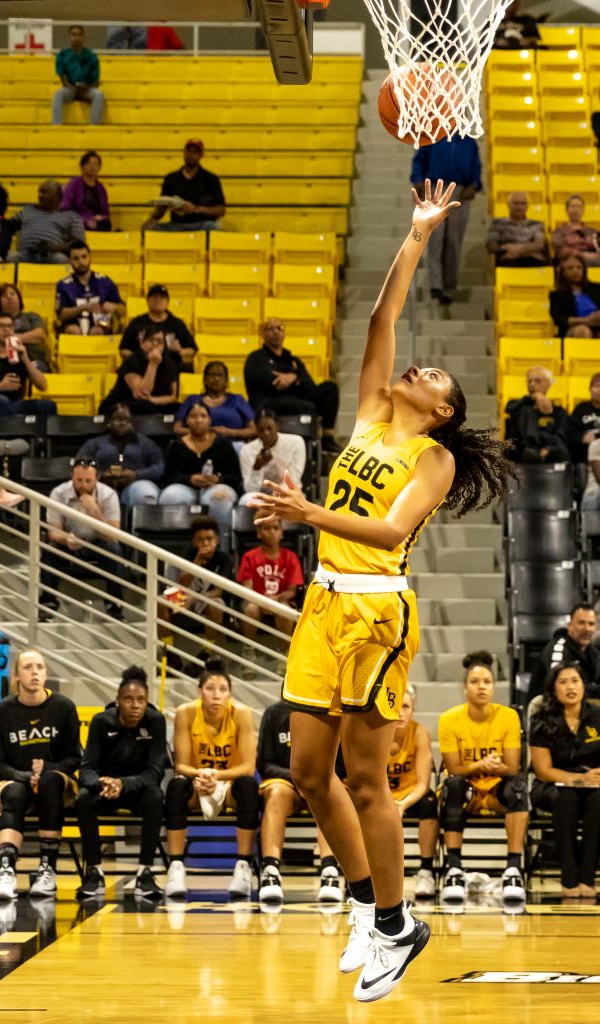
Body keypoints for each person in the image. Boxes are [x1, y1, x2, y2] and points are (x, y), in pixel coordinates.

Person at [248, 180, 510, 1003]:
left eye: (435, 376)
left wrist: (305, 512)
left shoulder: (433, 459)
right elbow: (378, 319)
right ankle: (366, 905)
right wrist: (416, 234)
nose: (418, 368)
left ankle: (397, 924)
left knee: (367, 781)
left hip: (374, 610)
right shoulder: (369, 414)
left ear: (441, 411)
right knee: (305, 770)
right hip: (323, 603)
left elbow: (391, 531)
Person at [0, 648, 81, 900]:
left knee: (50, 782)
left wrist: (48, 768)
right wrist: (22, 776)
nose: (35, 673)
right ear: (16, 675)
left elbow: (75, 758)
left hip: (56, 783)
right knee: (15, 792)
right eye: (28, 668)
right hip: (17, 780)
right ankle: (6, 871)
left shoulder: (63, 707)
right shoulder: (3, 710)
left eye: (39, 667)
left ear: (46, 673)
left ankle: (47, 869)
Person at [164, 657, 259, 899]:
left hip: (229, 785)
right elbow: (181, 765)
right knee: (176, 786)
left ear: (230, 694)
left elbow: (248, 767)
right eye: (210, 689)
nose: (216, 695)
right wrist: (200, 775)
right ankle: (176, 867)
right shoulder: (185, 713)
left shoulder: (241, 714)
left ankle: (243, 866)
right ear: (199, 692)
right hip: (198, 785)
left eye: (223, 690)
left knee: (249, 786)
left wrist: (216, 776)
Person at [437, 652, 528, 905]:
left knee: (518, 787)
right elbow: (453, 769)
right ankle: (454, 869)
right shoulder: (449, 719)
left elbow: (513, 768)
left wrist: (495, 767)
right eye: (475, 682)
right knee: (453, 786)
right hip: (468, 792)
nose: (481, 687)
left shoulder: (508, 716)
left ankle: (513, 870)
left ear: (494, 687)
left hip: (497, 790)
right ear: (464, 687)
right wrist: (481, 764)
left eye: (487, 682)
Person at [75, 666, 168, 900]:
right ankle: (94, 872)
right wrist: (101, 783)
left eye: (141, 700)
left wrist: (123, 784)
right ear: (117, 701)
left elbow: (155, 773)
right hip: (106, 790)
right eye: (128, 699)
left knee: (156, 796)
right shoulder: (100, 722)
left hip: (136, 789)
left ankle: (145, 873)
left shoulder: (156, 721)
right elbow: (86, 769)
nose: (135, 705)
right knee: (83, 798)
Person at [257, 699, 343, 904]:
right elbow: (265, 764)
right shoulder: (274, 713)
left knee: (329, 795)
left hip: (321, 783)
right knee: (276, 793)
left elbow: (341, 765)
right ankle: (271, 871)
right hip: (288, 785)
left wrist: (313, 780)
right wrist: (299, 778)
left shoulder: (331, 712)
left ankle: (329, 871)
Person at [530, 661, 600, 897]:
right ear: (553, 689)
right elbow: (543, 770)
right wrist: (579, 779)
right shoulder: (541, 719)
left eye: (575, 681)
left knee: (598, 801)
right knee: (566, 799)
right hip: (551, 785)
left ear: (583, 686)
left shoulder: (597, 716)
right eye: (563, 682)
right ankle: (569, 879)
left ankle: (588, 878)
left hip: (593, 785)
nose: (571, 687)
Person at [39, 459, 127, 620]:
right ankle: (48, 603)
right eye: (79, 480)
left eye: (88, 481)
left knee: (114, 550)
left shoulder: (109, 495)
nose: (83, 485)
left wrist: (94, 512)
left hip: (97, 541)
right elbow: (54, 532)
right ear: (72, 476)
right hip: (68, 540)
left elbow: (114, 535)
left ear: (97, 478)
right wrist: (67, 540)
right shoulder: (58, 493)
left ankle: (115, 606)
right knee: (49, 549)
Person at [244, 319, 340, 453]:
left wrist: (294, 377)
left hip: (296, 399)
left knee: (330, 388)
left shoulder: (293, 360)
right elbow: (274, 384)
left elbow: (309, 387)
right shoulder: (256, 358)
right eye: (270, 328)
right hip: (269, 402)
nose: (275, 332)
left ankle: (327, 438)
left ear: (284, 333)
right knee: (306, 406)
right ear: (262, 333)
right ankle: (310, 448)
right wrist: (296, 380)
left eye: (279, 328)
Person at [410, 137, 482, 304]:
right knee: (435, 237)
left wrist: (474, 185)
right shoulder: (432, 138)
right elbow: (419, 161)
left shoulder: (469, 142)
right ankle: (435, 284)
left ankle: (449, 286)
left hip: (460, 191)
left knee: (453, 240)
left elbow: (476, 166)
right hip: (435, 188)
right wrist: (418, 179)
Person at [386, 686, 439, 899]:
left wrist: (402, 804)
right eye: (395, 706)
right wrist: (387, 803)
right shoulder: (376, 733)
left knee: (430, 801)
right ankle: (366, 874)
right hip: (382, 794)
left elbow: (423, 783)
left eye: (406, 707)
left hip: (410, 794)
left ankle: (426, 871)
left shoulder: (419, 733)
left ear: (413, 709)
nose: (400, 713)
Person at [158, 402, 243, 529]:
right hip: (185, 487)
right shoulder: (176, 446)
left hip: (216, 486)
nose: (198, 420)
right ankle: (176, 539)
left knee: (220, 498)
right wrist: (189, 479)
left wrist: (218, 479)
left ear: (209, 420)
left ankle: (220, 538)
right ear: (187, 420)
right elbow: (168, 476)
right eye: (193, 416)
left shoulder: (223, 444)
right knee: (170, 496)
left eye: (203, 416)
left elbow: (236, 476)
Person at [0, 313, 57, 418]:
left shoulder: (22, 353)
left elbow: (42, 386)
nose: (6, 330)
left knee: (47, 406)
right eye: (1, 326)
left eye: (10, 326)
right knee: (0, 401)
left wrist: (25, 359)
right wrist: (0, 386)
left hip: (15, 403)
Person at [159, 515, 233, 648]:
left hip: (207, 599)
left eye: (209, 539)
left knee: (217, 606)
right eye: (200, 540)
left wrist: (195, 598)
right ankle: (169, 650)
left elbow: (218, 591)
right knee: (160, 602)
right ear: (194, 542)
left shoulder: (224, 558)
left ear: (217, 540)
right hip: (184, 596)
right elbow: (182, 583)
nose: (205, 543)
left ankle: (206, 652)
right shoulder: (189, 553)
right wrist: (198, 560)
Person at [237, 514, 304, 653]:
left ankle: (283, 653)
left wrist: (275, 599)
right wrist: (263, 601)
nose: (272, 532)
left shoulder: (291, 557)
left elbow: (292, 591)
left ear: (281, 533)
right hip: (255, 600)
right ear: (259, 533)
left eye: (276, 528)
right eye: (267, 528)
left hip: (281, 600)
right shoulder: (249, 557)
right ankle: (248, 649)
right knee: (251, 609)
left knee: (285, 611)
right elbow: (247, 589)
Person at [75, 404, 164, 508]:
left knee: (144, 492)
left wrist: (137, 475)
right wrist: (100, 476)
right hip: (103, 486)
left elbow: (159, 466)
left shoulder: (145, 443)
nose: (123, 423)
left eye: (127, 420)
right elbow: (80, 464)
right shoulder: (94, 444)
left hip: (136, 486)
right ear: (109, 421)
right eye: (118, 419)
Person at [145, 140, 225, 233]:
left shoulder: (211, 179)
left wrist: (195, 209)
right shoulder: (171, 178)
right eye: (188, 151)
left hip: (201, 224)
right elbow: (161, 210)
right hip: (176, 225)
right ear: (184, 152)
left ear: (201, 155)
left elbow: (221, 210)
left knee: (213, 226)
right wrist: (152, 218)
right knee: (150, 228)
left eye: (195, 152)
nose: (190, 155)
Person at [100, 325, 179, 416]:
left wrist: (152, 400)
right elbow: (141, 394)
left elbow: (173, 397)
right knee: (144, 405)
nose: (155, 344)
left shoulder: (169, 364)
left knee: (178, 407)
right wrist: (153, 364)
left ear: (164, 346)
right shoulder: (132, 361)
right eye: (150, 340)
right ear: (142, 342)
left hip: (151, 403)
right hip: (118, 405)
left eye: (159, 341)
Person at [528, 604, 600, 703]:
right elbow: (560, 688)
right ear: (569, 625)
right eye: (581, 623)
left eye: (591, 624)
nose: (587, 628)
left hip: (582, 705)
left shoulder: (593, 652)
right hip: (550, 707)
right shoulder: (558, 649)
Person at [119, 284, 198, 371]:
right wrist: (139, 356)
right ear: (148, 301)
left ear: (167, 302)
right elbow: (123, 349)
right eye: (155, 298)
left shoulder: (177, 323)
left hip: (170, 368)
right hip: (141, 368)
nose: (158, 301)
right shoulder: (137, 323)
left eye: (162, 298)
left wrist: (180, 351)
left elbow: (192, 349)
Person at [55, 241, 125, 336]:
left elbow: (123, 310)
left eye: (84, 257)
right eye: (76, 258)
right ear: (70, 261)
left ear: (90, 257)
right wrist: (82, 308)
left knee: (97, 330)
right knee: (74, 330)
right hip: (73, 322)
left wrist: (114, 307)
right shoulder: (63, 284)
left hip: (101, 321)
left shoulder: (104, 281)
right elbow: (61, 315)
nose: (81, 261)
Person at [239, 407, 306, 505]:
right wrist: (256, 468)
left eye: (269, 428)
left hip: (288, 493)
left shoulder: (296, 443)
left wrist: (278, 493)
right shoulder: (247, 450)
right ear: (256, 430)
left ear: (277, 426)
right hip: (261, 495)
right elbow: (250, 489)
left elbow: (294, 478)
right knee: (247, 501)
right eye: (261, 430)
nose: (266, 433)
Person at [175, 362, 256, 443]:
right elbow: (177, 429)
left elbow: (254, 429)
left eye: (220, 375)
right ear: (204, 380)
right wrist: (205, 431)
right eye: (212, 375)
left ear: (226, 381)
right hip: (198, 443)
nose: (216, 378)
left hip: (234, 444)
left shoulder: (237, 399)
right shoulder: (192, 400)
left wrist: (228, 432)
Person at [8, 180, 85, 265]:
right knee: (9, 257)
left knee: (61, 260)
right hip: (24, 254)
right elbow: (5, 227)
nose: (39, 195)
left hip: (52, 255)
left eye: (44, 192)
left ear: (58, 196)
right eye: (39, 192)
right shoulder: (27, 210)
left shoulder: (71, 217)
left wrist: (53, 248)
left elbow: (78, 243)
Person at [504, 365, 569, 463]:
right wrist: (531, 398)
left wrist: (548, 448)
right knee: (526, 410)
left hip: (549, 450)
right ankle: (532, 449)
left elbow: (560, 435)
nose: (532, 384)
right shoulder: (519, 406)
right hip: (522, 451)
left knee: (562, 452)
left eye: (537, 381)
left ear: (548, 384)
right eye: (529, 381)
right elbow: (509, 409)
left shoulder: (559, 412)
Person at [0, 284, 50, 370]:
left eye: (12, 294)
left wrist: (14, 339)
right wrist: (11, 340)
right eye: (4, 296)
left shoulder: (31, 316)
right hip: (1, 359)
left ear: (19, 298)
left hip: (32, 357)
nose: (9, 297)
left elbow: (40, 334)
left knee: (37, 368)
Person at [52, 25, 104, 126]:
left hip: (87, 89)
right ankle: (57, 125)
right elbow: (63, 80)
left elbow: (96, 81)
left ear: (84, 37)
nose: (77, 38)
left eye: (80, 35)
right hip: (70, 89)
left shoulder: (91, 56)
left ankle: (94, 125)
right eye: (74, 34)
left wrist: (85, 87)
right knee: (59, 94)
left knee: (98, 95)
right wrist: (73, 88)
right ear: (69, 37)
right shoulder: (63, 55)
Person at [486, 192, 548, 267]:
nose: (519, 207)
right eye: (516, 203)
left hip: (531, 257)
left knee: (545, 265)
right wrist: (505, 247)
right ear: (508, 205)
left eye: (523, 203)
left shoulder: (536, 224)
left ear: (527, 206)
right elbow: (491, 246)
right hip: (508, 258)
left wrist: (518, 250)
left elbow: (539, 244)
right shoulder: (497, 223)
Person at [550, 255, 600, 340]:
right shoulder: (557, 295)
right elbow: (559, 319)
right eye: (570, 268)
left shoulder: (596, 288)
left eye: (579, 268)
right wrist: (586, 320)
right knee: (583, 330)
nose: (575, 271)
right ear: (563, 273)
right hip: (573, 327)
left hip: (597, 324)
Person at [61, 151, 111, 232]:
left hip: (96, 223)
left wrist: (101, 217)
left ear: (99, 167)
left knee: (106, 224)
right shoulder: (73, 185)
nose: (93, 166)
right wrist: (85, 221)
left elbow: (106, 214)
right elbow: (65, 208)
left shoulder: (101, 189)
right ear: (82, 166)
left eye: (96, 164)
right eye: (89, 163)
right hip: (78, 222)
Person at [552, 194, 600, 267]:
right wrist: (582, 254)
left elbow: (597, 247)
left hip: (593, 259)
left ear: (583, 210)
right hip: (570, 261)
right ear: (566, 210)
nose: (576, 210)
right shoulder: (559, 231)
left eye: (579, 206)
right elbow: (561, 251)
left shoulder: (591, 231)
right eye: (572, 206)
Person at [568, 373, 600, 464]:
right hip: (585, 452)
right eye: (597, 386)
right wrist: (582, 437)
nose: (599, 390)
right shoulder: (580, 408)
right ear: (590, 389)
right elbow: (570, 433)